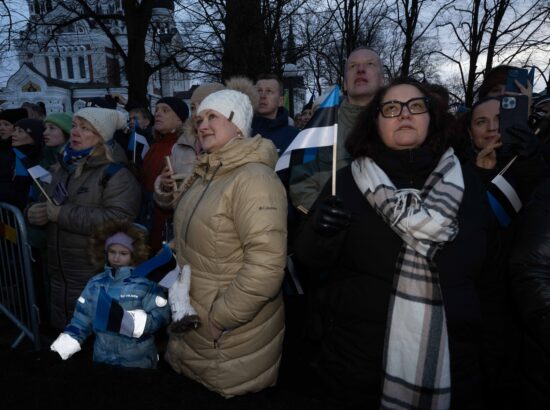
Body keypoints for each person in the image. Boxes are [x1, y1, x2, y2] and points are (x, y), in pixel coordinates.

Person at [294, 79, 490, 408]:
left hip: (454, 358)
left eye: (415, 106)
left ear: (432, 117)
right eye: (390, 108)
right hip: (358, 363)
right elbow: (309, 261)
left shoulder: (468, 182)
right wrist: (318, 232)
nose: (403, 114)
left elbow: (489, 272)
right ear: (375, 122)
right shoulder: (346, 181)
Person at [164, 81, 287, 397]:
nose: (202, 126)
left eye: (212, 117)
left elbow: (266, 267)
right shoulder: (207, 173)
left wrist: (220, 320)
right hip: (194, 328)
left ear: (239, 125)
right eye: (200, 120)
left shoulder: (254, 178)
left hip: (229, 341)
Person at [25, 107, 141, 330]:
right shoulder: (62, 166)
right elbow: (42, 199)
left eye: (85, 128)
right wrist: (33, 212)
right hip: (60, 272)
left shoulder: (116, 174)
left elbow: (120, 220)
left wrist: (61, 214)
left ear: (101, 136)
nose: (75, 132)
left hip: (94, 271)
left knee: (97, 337)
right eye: (75, 125)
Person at [50, 220, 170, 369]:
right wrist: (65, 345)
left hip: (138, 361)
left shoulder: (145, 283)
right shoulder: (96, 283)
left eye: (123, 253)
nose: (116, 258)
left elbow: (162, 313)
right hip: (103, 358)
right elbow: (82, 319)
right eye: (112, 252)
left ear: (133, 255)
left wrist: (139, 323)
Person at [289, 47, 385, 212]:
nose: (360, 70)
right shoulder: (321, 126)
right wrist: (320, 213)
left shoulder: (399, 124)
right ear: (345, 84)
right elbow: (300, 182)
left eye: (369, 64)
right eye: (353, 66)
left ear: (382, 80)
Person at [153, 82, 225, 212]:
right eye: (192, 108)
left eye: (203, 105)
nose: (196, 114)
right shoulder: (180, 146)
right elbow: (169, 203)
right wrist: (165, 186)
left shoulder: (235, 148)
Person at [140, 97, 189, 251]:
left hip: (167, 223)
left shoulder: (183, 148)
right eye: (157, 110)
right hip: (149, 218)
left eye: (165, 110)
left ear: (180, 119)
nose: (158, 114)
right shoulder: (155, 145)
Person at [252, 73, 299, 155]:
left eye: (269, 91)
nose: (262, 96)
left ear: (280, 101)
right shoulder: (242, 131)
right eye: (259, 91)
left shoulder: (294, 137)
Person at [4, 118, 44, 210]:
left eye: (20, 131)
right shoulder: (9, 156)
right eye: (14, 130)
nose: (13, 134)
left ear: (34, 135)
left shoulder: (45, 159)